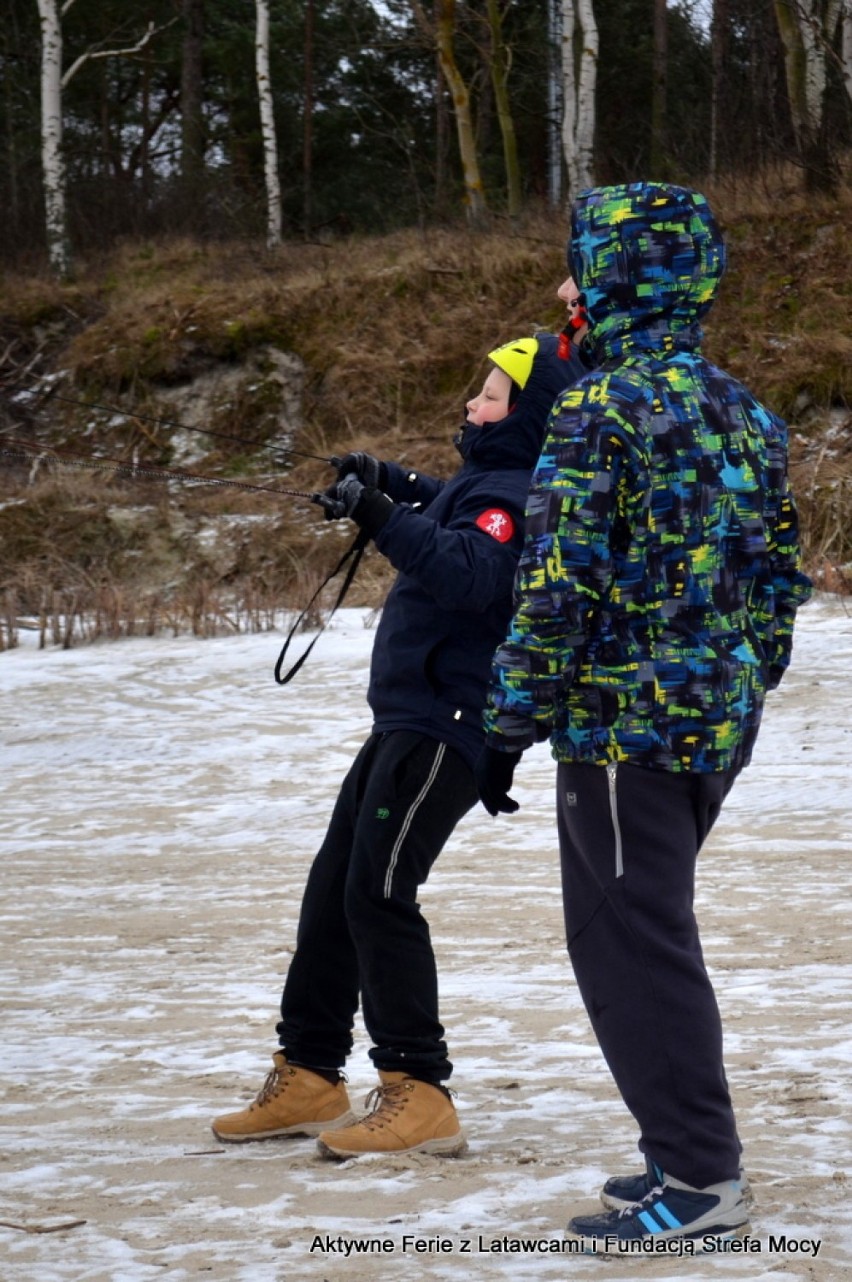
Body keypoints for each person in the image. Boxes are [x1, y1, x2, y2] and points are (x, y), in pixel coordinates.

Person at [475, 182, 812, 1250]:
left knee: (631, 943)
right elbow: (779, 582)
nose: (566, 287)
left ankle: (704, 1180)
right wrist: (741, 684)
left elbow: (559, 587)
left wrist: (505, 722)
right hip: (710, 727)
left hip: (626, 732)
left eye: (582, 264)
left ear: (619, 276)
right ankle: (679, 1153)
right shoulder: (746, 410)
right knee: (643, 928)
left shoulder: (597, 409)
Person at [212, 331, 584, 1158]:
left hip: (449, 727)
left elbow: (470, 569)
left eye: (488, 396)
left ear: (527, 414)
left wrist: (380, 514)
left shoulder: (519, 493)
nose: (471, 404)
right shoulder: (486, 482)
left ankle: (419, 1091)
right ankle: (309, 1072)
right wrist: (387, 482)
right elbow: (447, 504)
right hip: (408, 719)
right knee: (334, 887)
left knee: (378, 893)